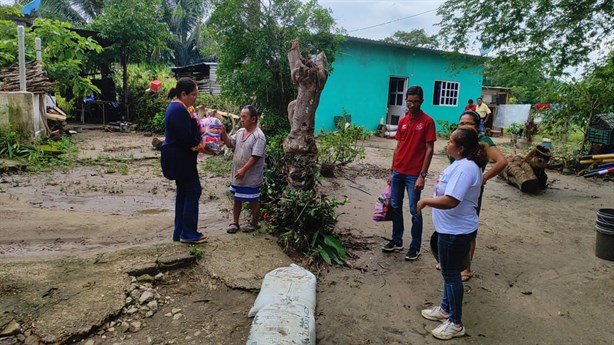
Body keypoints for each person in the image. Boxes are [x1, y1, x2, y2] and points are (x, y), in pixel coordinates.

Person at [417, 126, 488, 340]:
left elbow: (452, 200)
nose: (446, 143)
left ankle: (456, 323)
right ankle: (446, 309)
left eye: (450, 141)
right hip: (449, 229)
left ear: (460, 148)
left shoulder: (466, 169)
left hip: (456, 232)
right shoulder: (459, 164)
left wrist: (426, 201)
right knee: (448, 274)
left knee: (452, 276)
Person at [382, 85, 436, 261]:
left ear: (421, 101)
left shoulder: (427, 122)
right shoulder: (403, 121)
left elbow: (429, 149)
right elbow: (398, 147)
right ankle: (397, 240)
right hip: (398, 171)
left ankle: (415, 246)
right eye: (409, 101)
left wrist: (423, 175)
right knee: (395, 206)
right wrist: (391, 171)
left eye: (415, 102)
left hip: (414, 175)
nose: (412, 105)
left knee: (415, 210)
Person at [454, 110, 508, 281]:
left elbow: (502, 162)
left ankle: (466, 268)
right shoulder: (458, 139)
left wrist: (484, 177)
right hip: (455, 190)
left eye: (469, 123)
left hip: (471, 193)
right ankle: (451, 260)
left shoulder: (483, 142)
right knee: (452, 224)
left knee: (468, 229)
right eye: (461, 123)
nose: (464, 126)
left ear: (477, 127)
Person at [160, 77, 208, 244]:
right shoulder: (178, 110)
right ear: (183, 94)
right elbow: (187, 138)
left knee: (184, 193)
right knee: (194, 191)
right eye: (193, 95)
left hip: (180, 159)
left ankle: (179, 232)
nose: (195, 98)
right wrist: (202, 145)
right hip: (181, 159)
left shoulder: (181, 108)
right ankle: (188, 233)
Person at [221, 105, 266, 233]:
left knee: (253, 200)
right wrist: (223, 133)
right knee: (237, 199)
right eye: (241, 117)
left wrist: (244, 170)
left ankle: (254, 223)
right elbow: (230, 144)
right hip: (238, 174)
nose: (241, 119)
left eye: (244, 117)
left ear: (253, 119)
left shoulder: (259, 136)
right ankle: (234, 222)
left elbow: (255, 157)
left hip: (251, 176)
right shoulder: (240, 132)